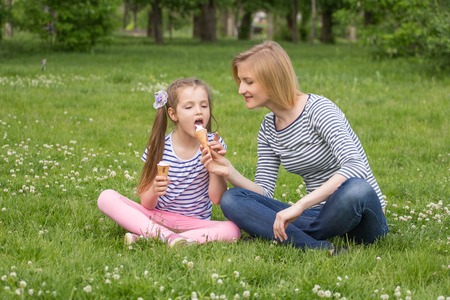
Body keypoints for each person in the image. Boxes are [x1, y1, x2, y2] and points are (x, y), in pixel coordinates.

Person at [201, 41, 388, 254]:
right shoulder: (268, 128)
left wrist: (299, 206)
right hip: (319, 216)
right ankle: (317, 247)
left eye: (248, 82)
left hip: (361, 216)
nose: (241, 89)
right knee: (232, 199)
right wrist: (229, 172)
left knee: (357, 188)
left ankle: (282, 235)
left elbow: (355, 166)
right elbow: (264, 191)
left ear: (272, 80)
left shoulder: (319, 109)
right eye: (241, 82)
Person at [98, 78, 241, 247]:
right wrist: (154, 190)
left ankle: (152, 237)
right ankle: (171, 238)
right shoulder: (159, 147)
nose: (198, 112)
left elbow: (216, 198)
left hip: (195, 222)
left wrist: (214, 167)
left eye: (204, 106)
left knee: (233, 229)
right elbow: (146, 203)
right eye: (189, 107)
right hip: (158, 217)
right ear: (173, 114)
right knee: (106, 197)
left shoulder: (214, 144)